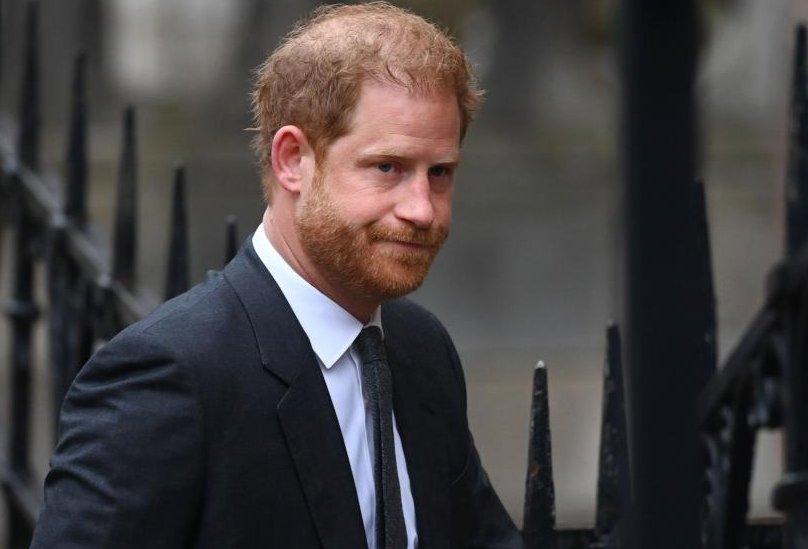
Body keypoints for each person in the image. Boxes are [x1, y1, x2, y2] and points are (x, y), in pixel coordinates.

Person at [31, 3, 521, 548]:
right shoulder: (168, 374)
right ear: (292, 160)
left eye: (440, 174)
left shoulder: (421, 350)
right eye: (388, 167)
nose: (423, 209)